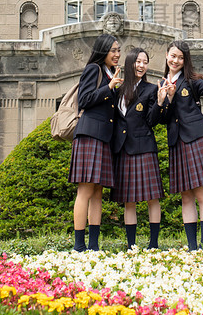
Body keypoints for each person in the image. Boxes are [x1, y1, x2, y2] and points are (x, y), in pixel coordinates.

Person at [161, 40, 203, 250]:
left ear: (185, 61)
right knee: (186, 196)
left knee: (202, 194)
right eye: (173, 56)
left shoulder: (191, 81)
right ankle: (192, 247)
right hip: (177, 142)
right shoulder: (162, 85)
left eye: (180, 58)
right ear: (167, 56)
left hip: (198, 139)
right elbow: (162, 116)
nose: (176, 60)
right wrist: (166, 99)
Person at [110, 48, 168, 249]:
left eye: (145, 62)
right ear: (130, 63)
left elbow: (152, 120)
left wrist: (160, 102)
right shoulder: (118, 89)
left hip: (144, 147)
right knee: (129, 200)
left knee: (152, 197)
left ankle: (153, 244)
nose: (142, 66)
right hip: (124, 149)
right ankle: (131, 245)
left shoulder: (151, 89)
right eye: (138, 61)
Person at [69, 34, 122, 252]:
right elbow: (85, 100)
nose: (117, 54)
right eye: (113, 51)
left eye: (118, 50)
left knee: (98, 192)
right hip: (89, 134)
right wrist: (109, 87)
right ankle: (79, 245)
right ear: (103, 51)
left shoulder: (112, 74)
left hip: (104, 138)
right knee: (85, 190)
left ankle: (94, 245)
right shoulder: (94, 69)